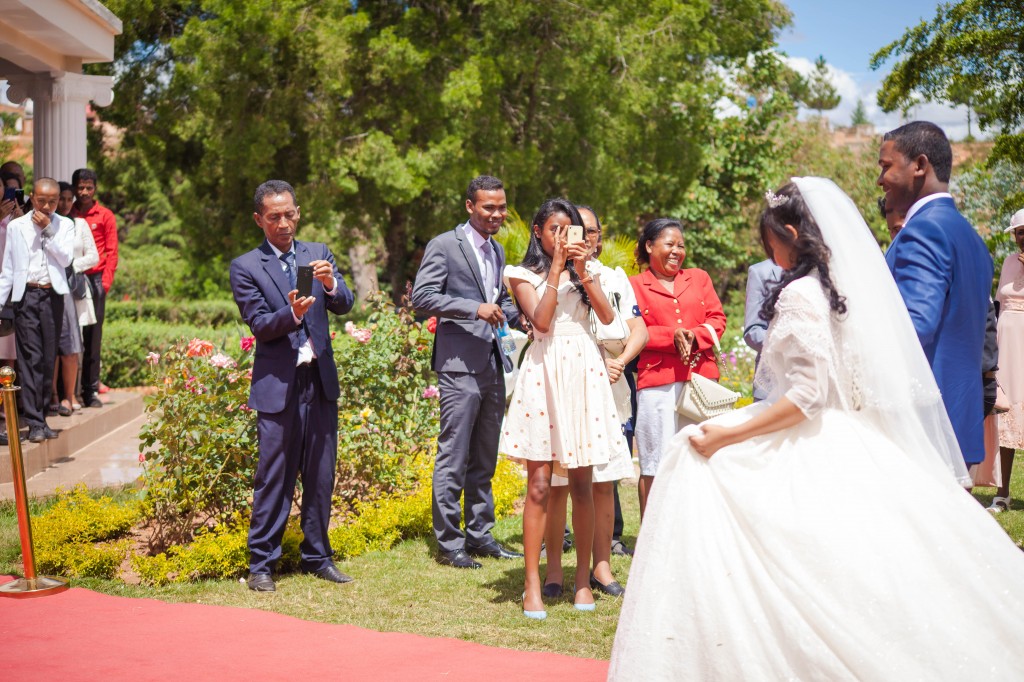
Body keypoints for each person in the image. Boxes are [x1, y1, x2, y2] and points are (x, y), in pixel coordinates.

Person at [608, 178, 1024, 681]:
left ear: (788, 233)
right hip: (858, 438)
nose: (770, 254)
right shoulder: (846, 292)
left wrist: (725, 435)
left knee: (693, 464)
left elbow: (806, 397)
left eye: (769, 243)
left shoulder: (802, 296)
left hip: (814, 440)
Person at [501, 198, 627, 618]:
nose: (562, 237)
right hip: (545, 372)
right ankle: (532, 586)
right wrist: (556, 268)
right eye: (554, 229)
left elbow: (609, 320)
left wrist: (581, 272)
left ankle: (581, 583)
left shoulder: (585, 272)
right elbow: (540, 322)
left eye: (568, 230)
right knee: (539, 485)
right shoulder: (519, 274)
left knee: (582, 485)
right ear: (538, 232)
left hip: (584, 375)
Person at [230, 179, 355, 592]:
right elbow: (261, 325)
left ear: (298, 213)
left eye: (289, 214)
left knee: (321, 474)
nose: (283, 223)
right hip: (278, 385)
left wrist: (332, 284)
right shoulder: (246, 266)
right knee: (275, 476)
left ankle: (318, 557)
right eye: (273, 217)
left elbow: (344, 303)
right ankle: (261, 563)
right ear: (259, 220)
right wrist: (294, 313)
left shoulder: (317, 254)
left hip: (319, 381)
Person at [411, 175, 523, 569]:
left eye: (501, 207)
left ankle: (480, 535)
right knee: (454, 455)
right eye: (488, 207)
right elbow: (422, 297)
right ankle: (450, 543)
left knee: (484, 455)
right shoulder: (445, 245)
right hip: (458, 365)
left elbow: (501, 302)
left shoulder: (498, 250)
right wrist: (472, 308)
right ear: (469, 206)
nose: (497, 214)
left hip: (494, 362)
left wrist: (526, 315)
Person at [541, 205, 646, 600]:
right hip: (565, 380)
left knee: (603, 480)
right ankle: (555, 569)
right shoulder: (547, 274)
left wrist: (617, 360)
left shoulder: (613, 277)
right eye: (574, 230)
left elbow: (627, 326)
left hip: (608, 387)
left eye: (590, 232)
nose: (583, 238)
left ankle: (601, 565)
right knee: (558, 481)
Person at [879, 121, 994, 469]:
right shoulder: (970, 237)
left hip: (922, 426)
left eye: (886, 166)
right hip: (958, 421)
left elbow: (914, 327)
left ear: (919, 165)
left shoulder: (924, 230)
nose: (879, 179)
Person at [628, 218, 726, 519]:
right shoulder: (633, 286)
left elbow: (717, 319)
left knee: (701, 457)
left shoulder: (699, 278)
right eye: (669, 244)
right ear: (650, 246)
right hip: (657, 382)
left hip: (700, 381)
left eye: (681, 245)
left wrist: (693, 337)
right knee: (654, 463)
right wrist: (670, 336)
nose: (676, 251)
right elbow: (632, 330)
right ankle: (652, 538)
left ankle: (698, 530)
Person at [0, 178, 73, 443]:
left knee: (46, 359)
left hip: (52, 296)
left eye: (53, 201)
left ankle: (40, 418)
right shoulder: (17, 226)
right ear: (32, 197)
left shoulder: (65, 225)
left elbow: (66, 258)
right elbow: (8, 268)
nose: (47, 206)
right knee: (30, 358)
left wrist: (48, 232)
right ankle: (33, 422)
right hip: (26, 296)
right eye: (42, 200)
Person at [69, 168, 119, 409]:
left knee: (93, 337)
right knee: (68, 336)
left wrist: (105, 283)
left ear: (95, 188)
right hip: (71, 278)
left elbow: (112, 251)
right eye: (80, 187)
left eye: (89, 187)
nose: (85, 192)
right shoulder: (68, 212)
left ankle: (90, 390)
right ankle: (69, 391)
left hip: (96, 278)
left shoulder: (106, 215)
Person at [51, 182, 98, 416]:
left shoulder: (79, 224)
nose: (65, 204)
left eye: (70, 199)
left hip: (73, 289)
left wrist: (71, 266)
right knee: (52, 345)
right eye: (62, 199)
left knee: (72, 343)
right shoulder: (44, 223)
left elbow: (94, 256)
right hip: (49, 286)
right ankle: (53, 396)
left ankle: (73, 394)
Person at [989, 208, 1024, 512]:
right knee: (1005, 412)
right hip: (1007, 343)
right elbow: (1000, 303)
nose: (1023, 236)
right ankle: (1002, 492)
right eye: (1020, 232)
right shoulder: (1009, 262)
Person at [742, 258, 782, 401]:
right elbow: (753, 331)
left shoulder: (820, 269)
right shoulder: (760, 272)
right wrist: (788, 346)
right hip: (771, 385)